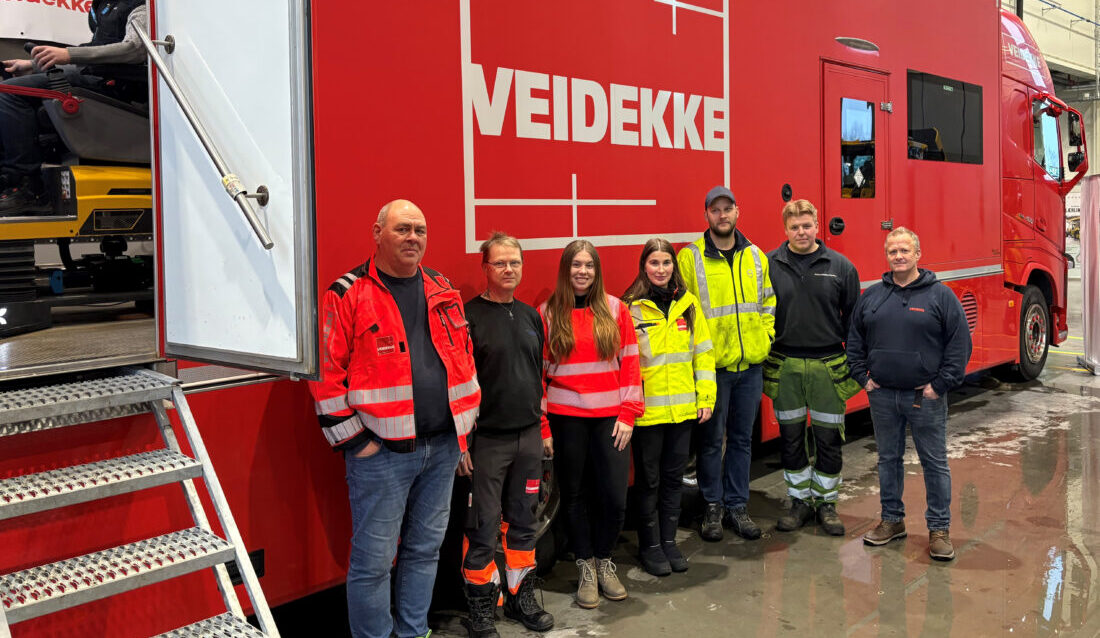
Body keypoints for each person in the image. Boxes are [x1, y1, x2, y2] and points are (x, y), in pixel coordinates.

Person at [308, 199, 481, 638]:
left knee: (425, 551)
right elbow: (325, 377)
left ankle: (413, 632)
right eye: (403, 229)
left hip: (442, 449)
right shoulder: (347, 293)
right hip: (381, 455)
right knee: (372, 563)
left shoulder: (441, 287)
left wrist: (462, 435)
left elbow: (463, 359)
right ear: (377, 233)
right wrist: (356, 444)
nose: (413, 238)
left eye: (420, 230)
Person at [847, 227, 972, 561]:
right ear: (886, 256)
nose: (898, 256)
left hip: (925, 397)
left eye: (904, 250)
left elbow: (959, 345)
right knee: (888, 460)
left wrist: (940, 384)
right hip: (883, 396)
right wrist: (864, 378)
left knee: (934, 463)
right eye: (892, 251)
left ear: (918, 253)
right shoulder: (872, 297)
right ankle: (892, 521)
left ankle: (939, 530)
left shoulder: (940, 296)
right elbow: (855, 340)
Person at [458, 232, 554, 637]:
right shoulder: (469, 317)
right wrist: (463, 441)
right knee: (482, 527)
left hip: (529, 438)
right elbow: (459, 384)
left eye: (514, 262)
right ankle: (481, 608)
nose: (509, 269)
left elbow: (539, 379)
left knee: (524, 522)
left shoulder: (531, 317)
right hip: (488, 442)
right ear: (485, 268)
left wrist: (544, 428)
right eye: (500, 263)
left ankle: (520, 598)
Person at [540, 239, 643, 608]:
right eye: (575, 265)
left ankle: (604, 560)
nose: (582, 271)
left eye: (589, 265)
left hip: (610, 420)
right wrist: (544, 428)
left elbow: (631, 362)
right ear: (565, 270)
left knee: (614, 498)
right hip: (566, 419)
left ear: (596, 271)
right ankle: (585, 566)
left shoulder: (616, 309)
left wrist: (629, 412)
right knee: (575, 496)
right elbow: (539, 375)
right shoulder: (548, 313)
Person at [677, 185, 776, 542]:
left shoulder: (755, 257)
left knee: (741, 441)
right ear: (706, 215)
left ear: (737, 212)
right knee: (709, 443)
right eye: (715, 210)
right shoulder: (690, 258)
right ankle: (712, 508)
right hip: (712, 368)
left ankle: (737, 506)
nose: (722, 215)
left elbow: (768, 303)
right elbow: (682, 311)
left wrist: (764, 338)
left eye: (727, 209)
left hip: (749, 366)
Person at [764, 200, 862, 536]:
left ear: (817, 226)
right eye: (795, 227)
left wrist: (855, 364)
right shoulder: (769, 265)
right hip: (785, 365)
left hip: (828, 365)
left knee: (828, 437)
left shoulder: (841, 267)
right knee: (790, 438)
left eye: (807, 225)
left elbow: (854, 321)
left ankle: (827, 504)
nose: (801, 232)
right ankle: (799, 502)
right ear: (785, 229)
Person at [621, 238, 716, 576]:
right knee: (649, 482)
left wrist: (705, 398)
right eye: (654, 263)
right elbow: (624, 362)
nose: (661, 269)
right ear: (644, 267)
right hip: (647, 414)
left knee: (674, 480)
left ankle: (669, 542)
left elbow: (703, 354)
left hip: (682, 412)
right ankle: (650, 547)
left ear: (674, 267)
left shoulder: (688, 305)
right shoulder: (629, 308)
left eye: (666, 263)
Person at [0, 0, 149, 213]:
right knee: (8, 89)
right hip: (96, 76)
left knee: (11, 93)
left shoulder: (140, 5)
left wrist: (69, 54)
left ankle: (26, 186)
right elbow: (95, 51)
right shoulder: (103, 5)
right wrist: (33, 66)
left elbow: (136, 49)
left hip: (116, 85)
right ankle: (9, 180)